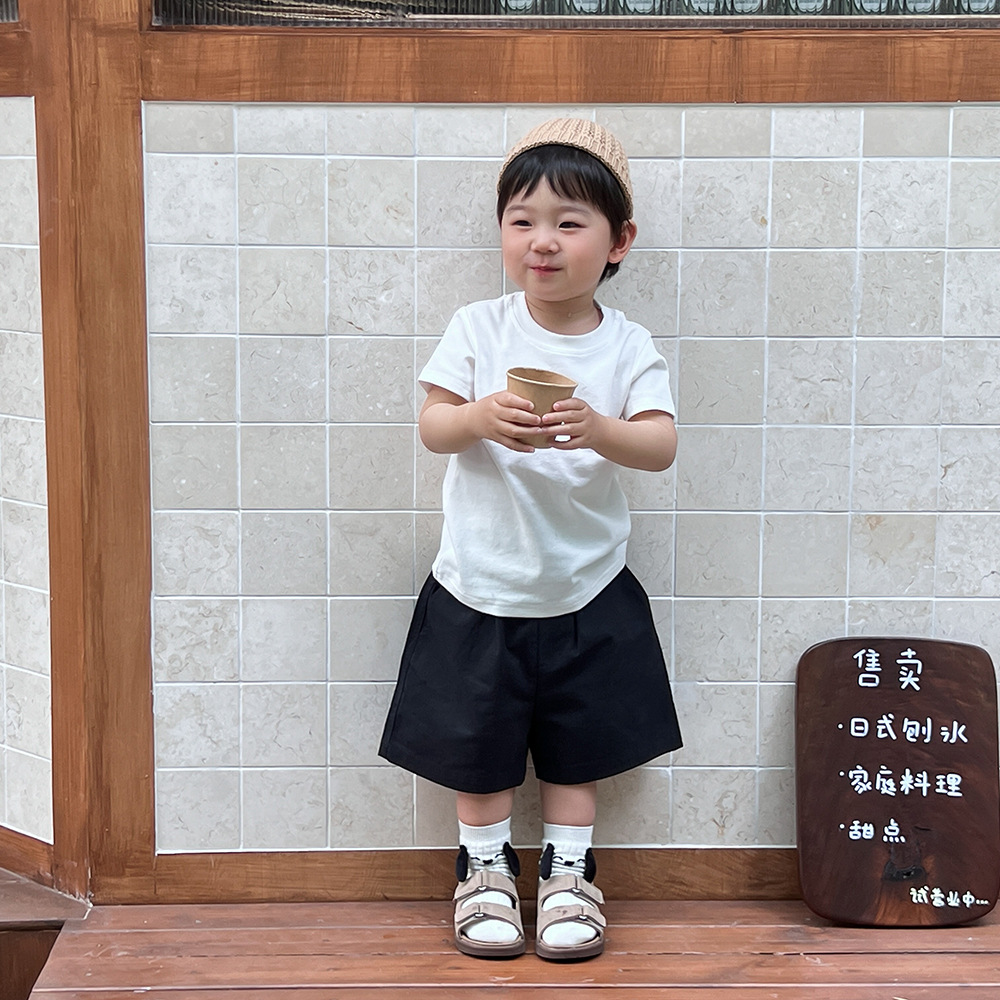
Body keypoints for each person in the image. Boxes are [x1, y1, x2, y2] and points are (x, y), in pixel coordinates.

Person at [379, 117, 682, 961]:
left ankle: (568, 877)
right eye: (522, 220)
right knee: (476, 749)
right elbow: (433, 425)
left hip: (588, 589)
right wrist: (479, 417)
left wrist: (599, 428)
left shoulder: (628, 345)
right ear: (503, 233)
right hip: (477, 583)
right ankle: (483, 873)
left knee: (575, 751)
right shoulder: (479, 327)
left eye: (568, 222)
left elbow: (660, 444)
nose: (542, 240)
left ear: (619, 242)